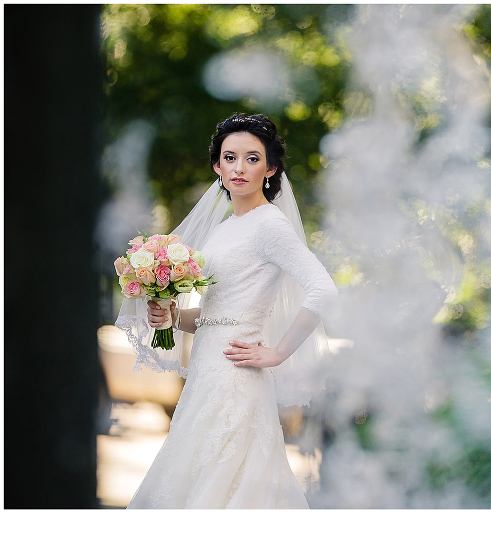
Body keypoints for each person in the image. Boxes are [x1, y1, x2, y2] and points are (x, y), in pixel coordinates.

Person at [116, 113, 338, 509]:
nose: (239, 168)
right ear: (217, 165)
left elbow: (323, 288)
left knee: (229, 482)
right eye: (230, 157)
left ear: (270, 168)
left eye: (252, 159)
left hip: (237, 374)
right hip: (206, 370)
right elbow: (211, 314)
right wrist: (170, 317)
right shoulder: (223, 229)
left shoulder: (270, 225)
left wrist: (276, 352)